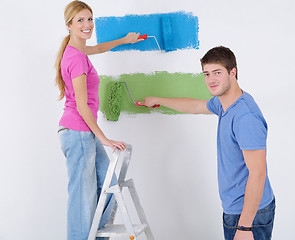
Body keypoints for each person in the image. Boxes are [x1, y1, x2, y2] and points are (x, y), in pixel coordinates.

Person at [139, 46, 275, 240]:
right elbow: (196, 106)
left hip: (250, 215)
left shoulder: (245, 117)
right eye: (207, 74)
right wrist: (157, 100)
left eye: (217, 73)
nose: (211, 80)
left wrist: (244, 227)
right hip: (237, 209)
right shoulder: (226, 103)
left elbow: (258, 174)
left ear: (232, 72)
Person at [54, 1, 143, 239]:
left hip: (84, 134)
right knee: (82, 200)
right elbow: (82, 107)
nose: (87, 25)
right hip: (78, 132)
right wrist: (104, 138)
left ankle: (95, 236)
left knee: (110, 185)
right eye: (80, 20)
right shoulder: (75, 58)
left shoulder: (78, 50)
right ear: (69, 25)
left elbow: (99, 48)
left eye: (90, 19)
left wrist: (125, 40)